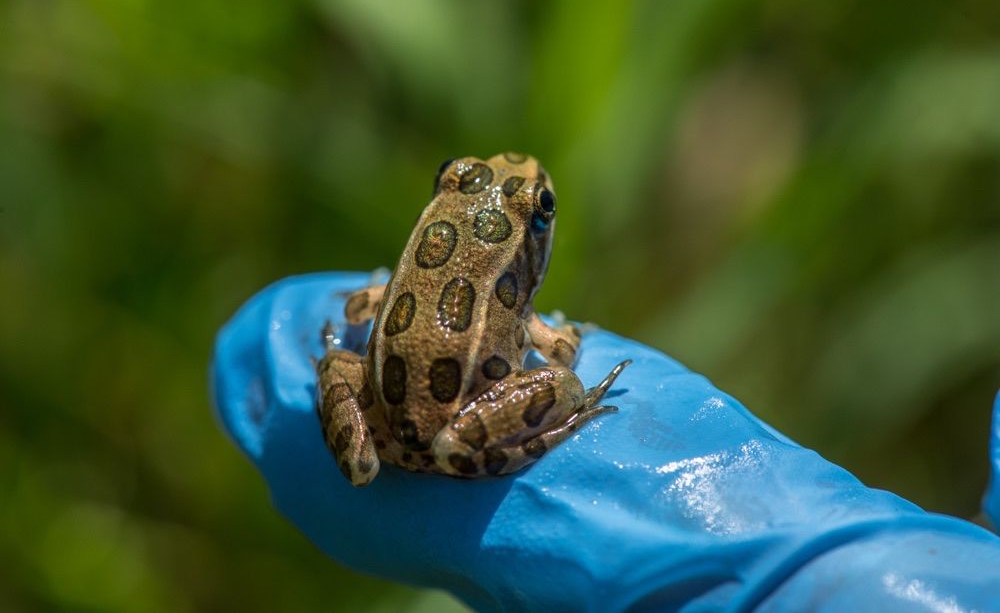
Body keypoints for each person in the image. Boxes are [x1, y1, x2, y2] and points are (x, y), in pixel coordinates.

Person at [213, 272, 1000, 612]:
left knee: (339, 362)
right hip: (454, 432)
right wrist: (563, 344)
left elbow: (359, 301)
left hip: (382, 427)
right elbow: (546, 351)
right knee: (567, 381)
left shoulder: (415, 260)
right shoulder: (512, 279)